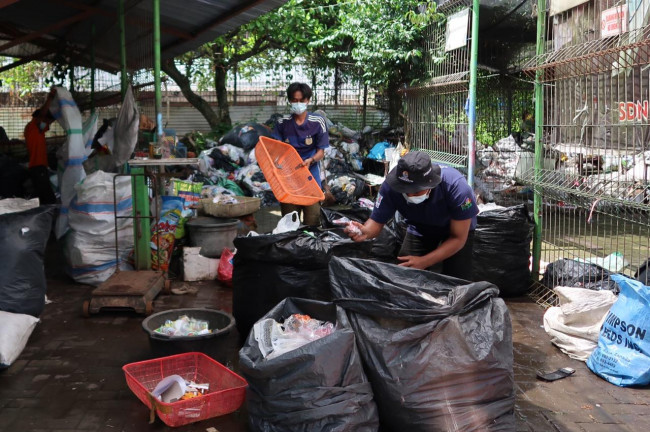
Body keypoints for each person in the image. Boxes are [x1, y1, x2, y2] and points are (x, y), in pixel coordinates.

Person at [346, 151, 478, 280]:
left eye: (416, 192)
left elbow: (458, 238)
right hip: (420, 227)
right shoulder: (391, 187)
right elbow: (376, 222)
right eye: (405, 191)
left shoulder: (456, 187)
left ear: (430, 184)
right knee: (405, 275)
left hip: (454, 231)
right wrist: (365, 232)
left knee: (456, 279)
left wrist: (424, 261)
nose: (410, 196)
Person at [272, 82, 329, 226]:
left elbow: (321, 152)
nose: (298, 104)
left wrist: (311, 160)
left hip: (310, 177)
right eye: (294, 100)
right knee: (290, 223)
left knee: (313, 221)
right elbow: (275, 150)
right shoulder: (282, 123)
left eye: (301, 100)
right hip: (288, 179)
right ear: (290, 101)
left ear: (308, 100)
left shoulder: (318, 122)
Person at [24, 88, 57, 205]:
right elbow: (43, 113)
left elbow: (48, 122)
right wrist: (50, 98)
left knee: (42, 195)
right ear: (38, 118)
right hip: (38, 167)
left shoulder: (35, 129)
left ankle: (45, 217)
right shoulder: (34, 126)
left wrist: (57, 115)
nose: (45, 121)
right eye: (43, 119)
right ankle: (51, 216)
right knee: (48, 196)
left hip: (37, 167)